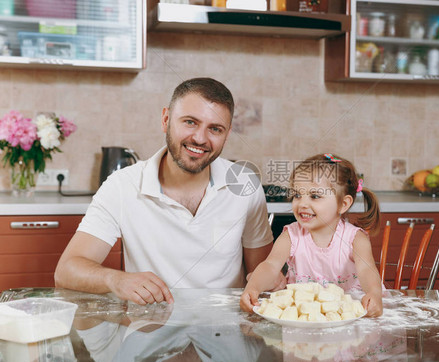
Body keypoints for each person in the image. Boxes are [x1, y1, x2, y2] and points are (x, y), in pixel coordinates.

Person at [55, 78, 276, 305]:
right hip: (151, 329)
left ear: (227, 135)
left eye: (215, 129)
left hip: (225, 329)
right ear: (166, 119)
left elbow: (263, 274)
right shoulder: (122, 185)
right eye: (190, 122)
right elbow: (66, 271)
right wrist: (116, 280)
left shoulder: (244, 184)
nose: (200, 138)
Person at [240, 153, 384, 317]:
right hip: (305, 317)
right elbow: (270, 266)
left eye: (315, 196)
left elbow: (367, 270)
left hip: (347, 316)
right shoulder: (291, 235)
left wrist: (374, 293)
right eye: (297, 195)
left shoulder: (355, 239)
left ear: (343, 204)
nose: (302, 203)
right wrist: (253, 288)